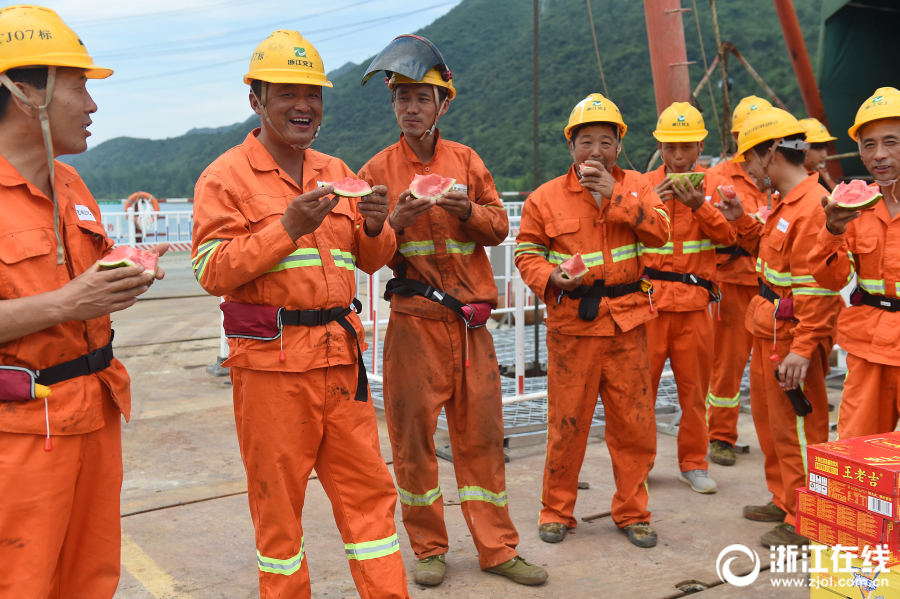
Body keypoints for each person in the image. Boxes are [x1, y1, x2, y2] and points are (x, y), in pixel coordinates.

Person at [191, 32, 408, 599]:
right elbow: (211, 269)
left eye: (313, 93)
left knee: (371, 500)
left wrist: (376, 225)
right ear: (256, 100)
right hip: (273, 371)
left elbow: (370, 260)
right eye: (287, 93)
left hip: (341, 364)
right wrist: (286, 229)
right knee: (278, 510)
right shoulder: (225, 177)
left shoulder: (335, 169)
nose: (303, 105)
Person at [357, 34, 547, 587]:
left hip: (469, 328)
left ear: (443, 103)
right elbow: (366, 257)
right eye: (402, 98)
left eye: (422, 98)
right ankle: (429, 549)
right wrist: (392, 224)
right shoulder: (375, 170)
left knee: (482, 438)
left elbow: (499, 226)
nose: (411, 108)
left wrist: (468, 212)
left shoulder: (466, 161)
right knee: (413, 441)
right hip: (414, 325)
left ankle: (498, 549)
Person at [0, 6, 167, 598]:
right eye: (78, 86)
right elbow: (69, 300)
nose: (92, 105)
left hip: (96, 412)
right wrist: (67, 303)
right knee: (21, 582)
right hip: (21, 431)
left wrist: (121, 275)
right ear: (25, 93)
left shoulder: (72, 184)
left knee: (92, 579)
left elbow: (84, 283)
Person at [516, 93, 670, 548]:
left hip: (628, 325)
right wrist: (551, 277)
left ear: (619, 145)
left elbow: (662, 232)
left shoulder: (637, 186)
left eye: (606, 141)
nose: (596, 151)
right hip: (573, 329)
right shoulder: (544, 197)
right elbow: (527, 252)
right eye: (586, 141)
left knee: (634, 426)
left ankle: (633, 512)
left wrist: (615, 196)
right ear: (571, 146)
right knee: (567, 425)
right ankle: (556, 511)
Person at [715, 107, 841, 547]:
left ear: (770, 153)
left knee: (801, 428)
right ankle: (785, 498)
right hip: (770, 328)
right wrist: (740, 219)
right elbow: (771, 255)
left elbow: (816, 290)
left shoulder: (812, 208)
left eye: (750, 158)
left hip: (791, 335)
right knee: (773, 425)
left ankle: (807, 515)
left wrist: (803, 349)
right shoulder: (787, 203)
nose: (748, 169)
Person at [642, 102, 735, 494]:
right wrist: (650, 202)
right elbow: (626, 232)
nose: (678, 156)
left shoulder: (717, 185)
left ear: (700, 147)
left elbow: (729, 238)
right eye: (670, 147)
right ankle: (639, 465)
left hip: (695, 305)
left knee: (695, 392)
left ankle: (694, 463)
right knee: (641, 392)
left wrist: (700, 206)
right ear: (660, 148)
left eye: (686, 147)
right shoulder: (643, 184)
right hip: (649, 303)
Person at [808, 87, 900, 439]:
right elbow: (831, 280)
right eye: (869, 144)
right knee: (856, 451)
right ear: (859, 151)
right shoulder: (854, 208)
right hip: (867, 347)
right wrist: (832, 230)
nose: (879, 154)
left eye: (891, 142)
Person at [705, 96, 772, 468]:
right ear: (736, 137)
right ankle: (721, 436)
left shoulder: (778, 174)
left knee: (773, 365)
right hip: (732, 283)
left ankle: (776, 434)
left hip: (772, 285)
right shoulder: (720, 177)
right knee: (727, 365)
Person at [799, 117, 838, 191]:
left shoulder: (815, 173)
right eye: (818, 149)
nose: (824, 155)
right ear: (802, 149)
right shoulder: (796, 180)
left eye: (825, 148)